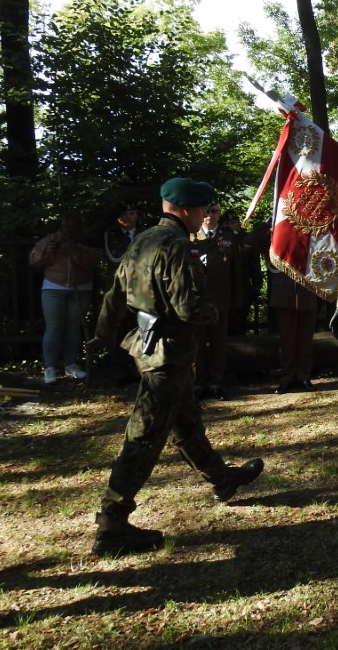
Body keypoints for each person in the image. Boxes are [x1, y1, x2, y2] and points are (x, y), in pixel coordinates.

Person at [85, 177, 264, 556]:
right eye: (201, 209)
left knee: (186, 422)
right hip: (169, 353)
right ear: (185, 209)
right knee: (145, 435)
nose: (204, 216)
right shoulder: (178, 246)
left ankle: (223, 479)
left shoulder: (144, 240)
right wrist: (213, 311)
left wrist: (101, 337)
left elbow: (115, 294)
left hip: (148, 346)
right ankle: (112, 522)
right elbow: (189, 308)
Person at [29, 214, 102, 384]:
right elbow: (35, 260)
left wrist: (74, 251)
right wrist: (49, 252)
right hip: (53, 287)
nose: (69, 229)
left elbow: (94, 260)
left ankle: (71, 365)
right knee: (53, 328)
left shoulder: (86, 241)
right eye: (66, 226)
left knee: (73, 328)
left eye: (72, 226)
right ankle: (50, 368)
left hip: (81, 288)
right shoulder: (51, 239)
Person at [191, 202, 242, 400]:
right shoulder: (190, 237)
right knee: (198, 343)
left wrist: (237, 300)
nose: (209, 215)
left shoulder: (228, 239)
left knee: (218, 342)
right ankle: (198, 383)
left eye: (214, 211)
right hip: (197, 300)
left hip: (221, 299)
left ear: (219, 214)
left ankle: (215, 382)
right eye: (206, 211)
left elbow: (236, 273)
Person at [103, 201, 142, 272]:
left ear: (137, 216)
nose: (128, 217)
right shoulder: (110, 235)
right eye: (124, 214)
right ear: (118, 217)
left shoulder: (145, 234)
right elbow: (114, 258)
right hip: (117, 278)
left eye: (132, 214)